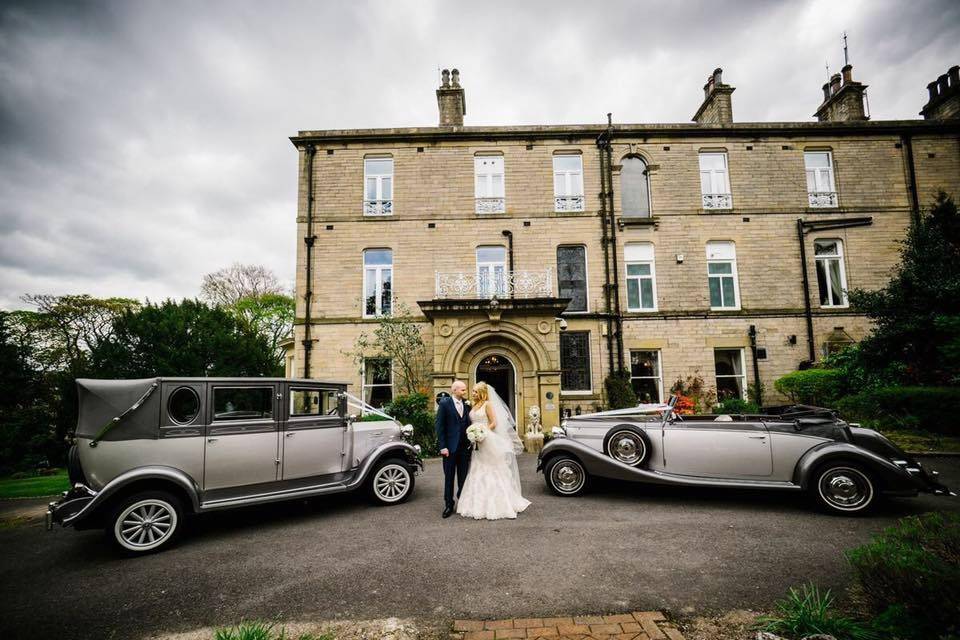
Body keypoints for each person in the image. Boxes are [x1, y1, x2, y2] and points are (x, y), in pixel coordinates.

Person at [456, 382, 531, 520]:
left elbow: (494, 422)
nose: (473, 394)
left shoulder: (488, 405)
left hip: (487, 439)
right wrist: (474, 434)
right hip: (476, 442)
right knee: (477, 468)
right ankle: (476, 504)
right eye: (472, 391)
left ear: (482, 393)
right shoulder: (473, 405)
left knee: (493, 469)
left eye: (475, 392)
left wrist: (482, 432)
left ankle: (500, 503)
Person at [435, 380, 472, 519]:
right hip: (449, 449)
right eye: (462, 390)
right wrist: (443, 446)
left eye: (465, 389)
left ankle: (461, 500)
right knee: (449, 477)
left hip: (464, 448)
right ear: (454, 390)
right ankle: (449, 504)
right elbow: (440, 426)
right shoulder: (445, 404)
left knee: (463, 476)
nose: (465, 392)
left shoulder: (467, 404)